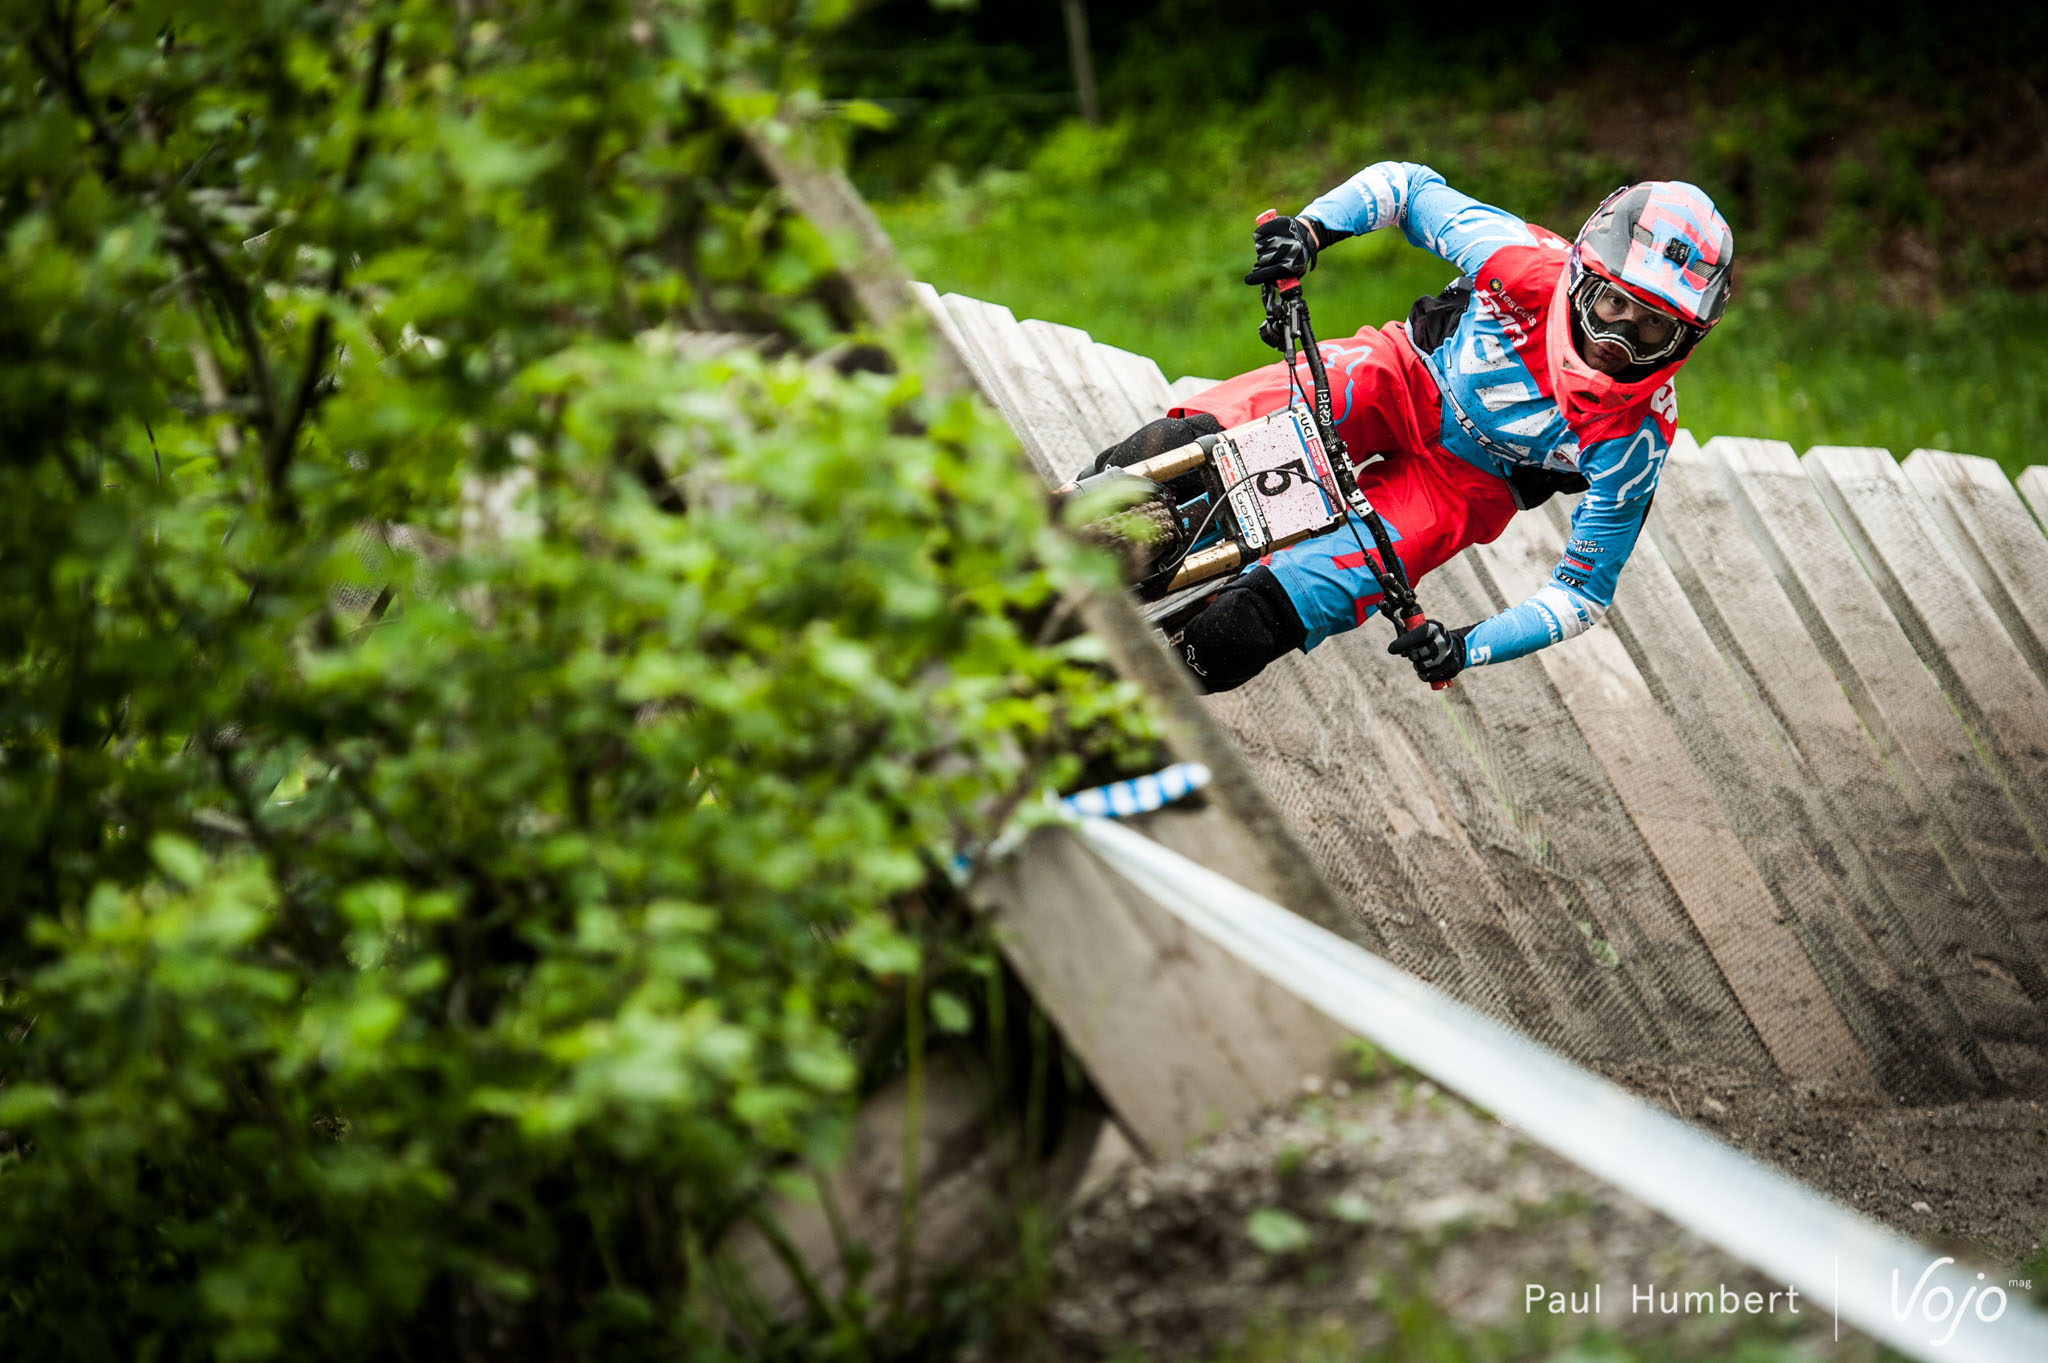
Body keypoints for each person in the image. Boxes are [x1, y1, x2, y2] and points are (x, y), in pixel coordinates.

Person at [1090, 165, 1732, 692]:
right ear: (1581, 276)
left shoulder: (1638, 439)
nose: (1617, 340)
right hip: (1398, 378)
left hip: (1460, 489)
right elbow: (1408, 189)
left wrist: (1467, 647)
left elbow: (1583, 596)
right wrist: (1311, 230)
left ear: (1686, 340)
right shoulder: (1522, 260)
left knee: (1240, 633)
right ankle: (1063, 518)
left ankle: (1112, 713)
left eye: (1653, 327)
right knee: (1174, 450)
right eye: (1614, 304)